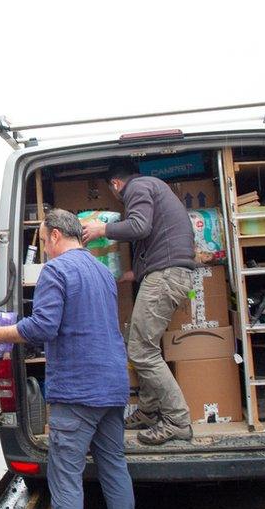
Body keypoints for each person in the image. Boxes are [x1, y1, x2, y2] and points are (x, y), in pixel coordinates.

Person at [0, 209, 135, 509]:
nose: (45, 248)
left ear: (57, 236)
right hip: (113, 387)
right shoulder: (102, 272)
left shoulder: (56, 270)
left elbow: (43, 327)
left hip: (77, 392)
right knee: (114, 468)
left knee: (66, 479)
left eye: (45, 241)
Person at [81, 159, 197, 445]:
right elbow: (157, 236)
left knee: (141, 350)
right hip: (165, 273)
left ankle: (178, 420)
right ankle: (148, 410)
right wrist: (133, 273)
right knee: (141, 342)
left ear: (116, 184)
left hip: (166, 276)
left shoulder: (138, 187)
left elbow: (140, 226)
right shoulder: (153, 188)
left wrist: (102, 230)